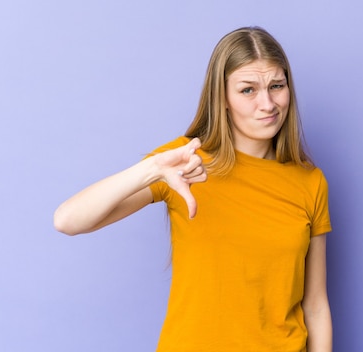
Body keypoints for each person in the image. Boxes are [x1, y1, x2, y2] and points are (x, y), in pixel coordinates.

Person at [53, 26, 332, 351]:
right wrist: (152, 168)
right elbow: (68, 220)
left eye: (276, 86)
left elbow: (315, 305)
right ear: (222, 98)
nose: (267, 103)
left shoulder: (310, 182)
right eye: (247, 90)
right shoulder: (182, 163)